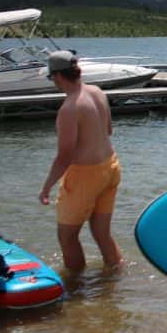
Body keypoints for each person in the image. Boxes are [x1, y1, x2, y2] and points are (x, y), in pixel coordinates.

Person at [38, 50, 123, 273]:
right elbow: (108, 131)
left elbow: (64, 156)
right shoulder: (96, 92)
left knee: (67, 236)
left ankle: (75, 287)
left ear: (57, 76)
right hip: (110, 167)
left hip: (86, 175)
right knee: (102, 233)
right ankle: (116, 279)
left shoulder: (69, 109)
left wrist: (46, 187)